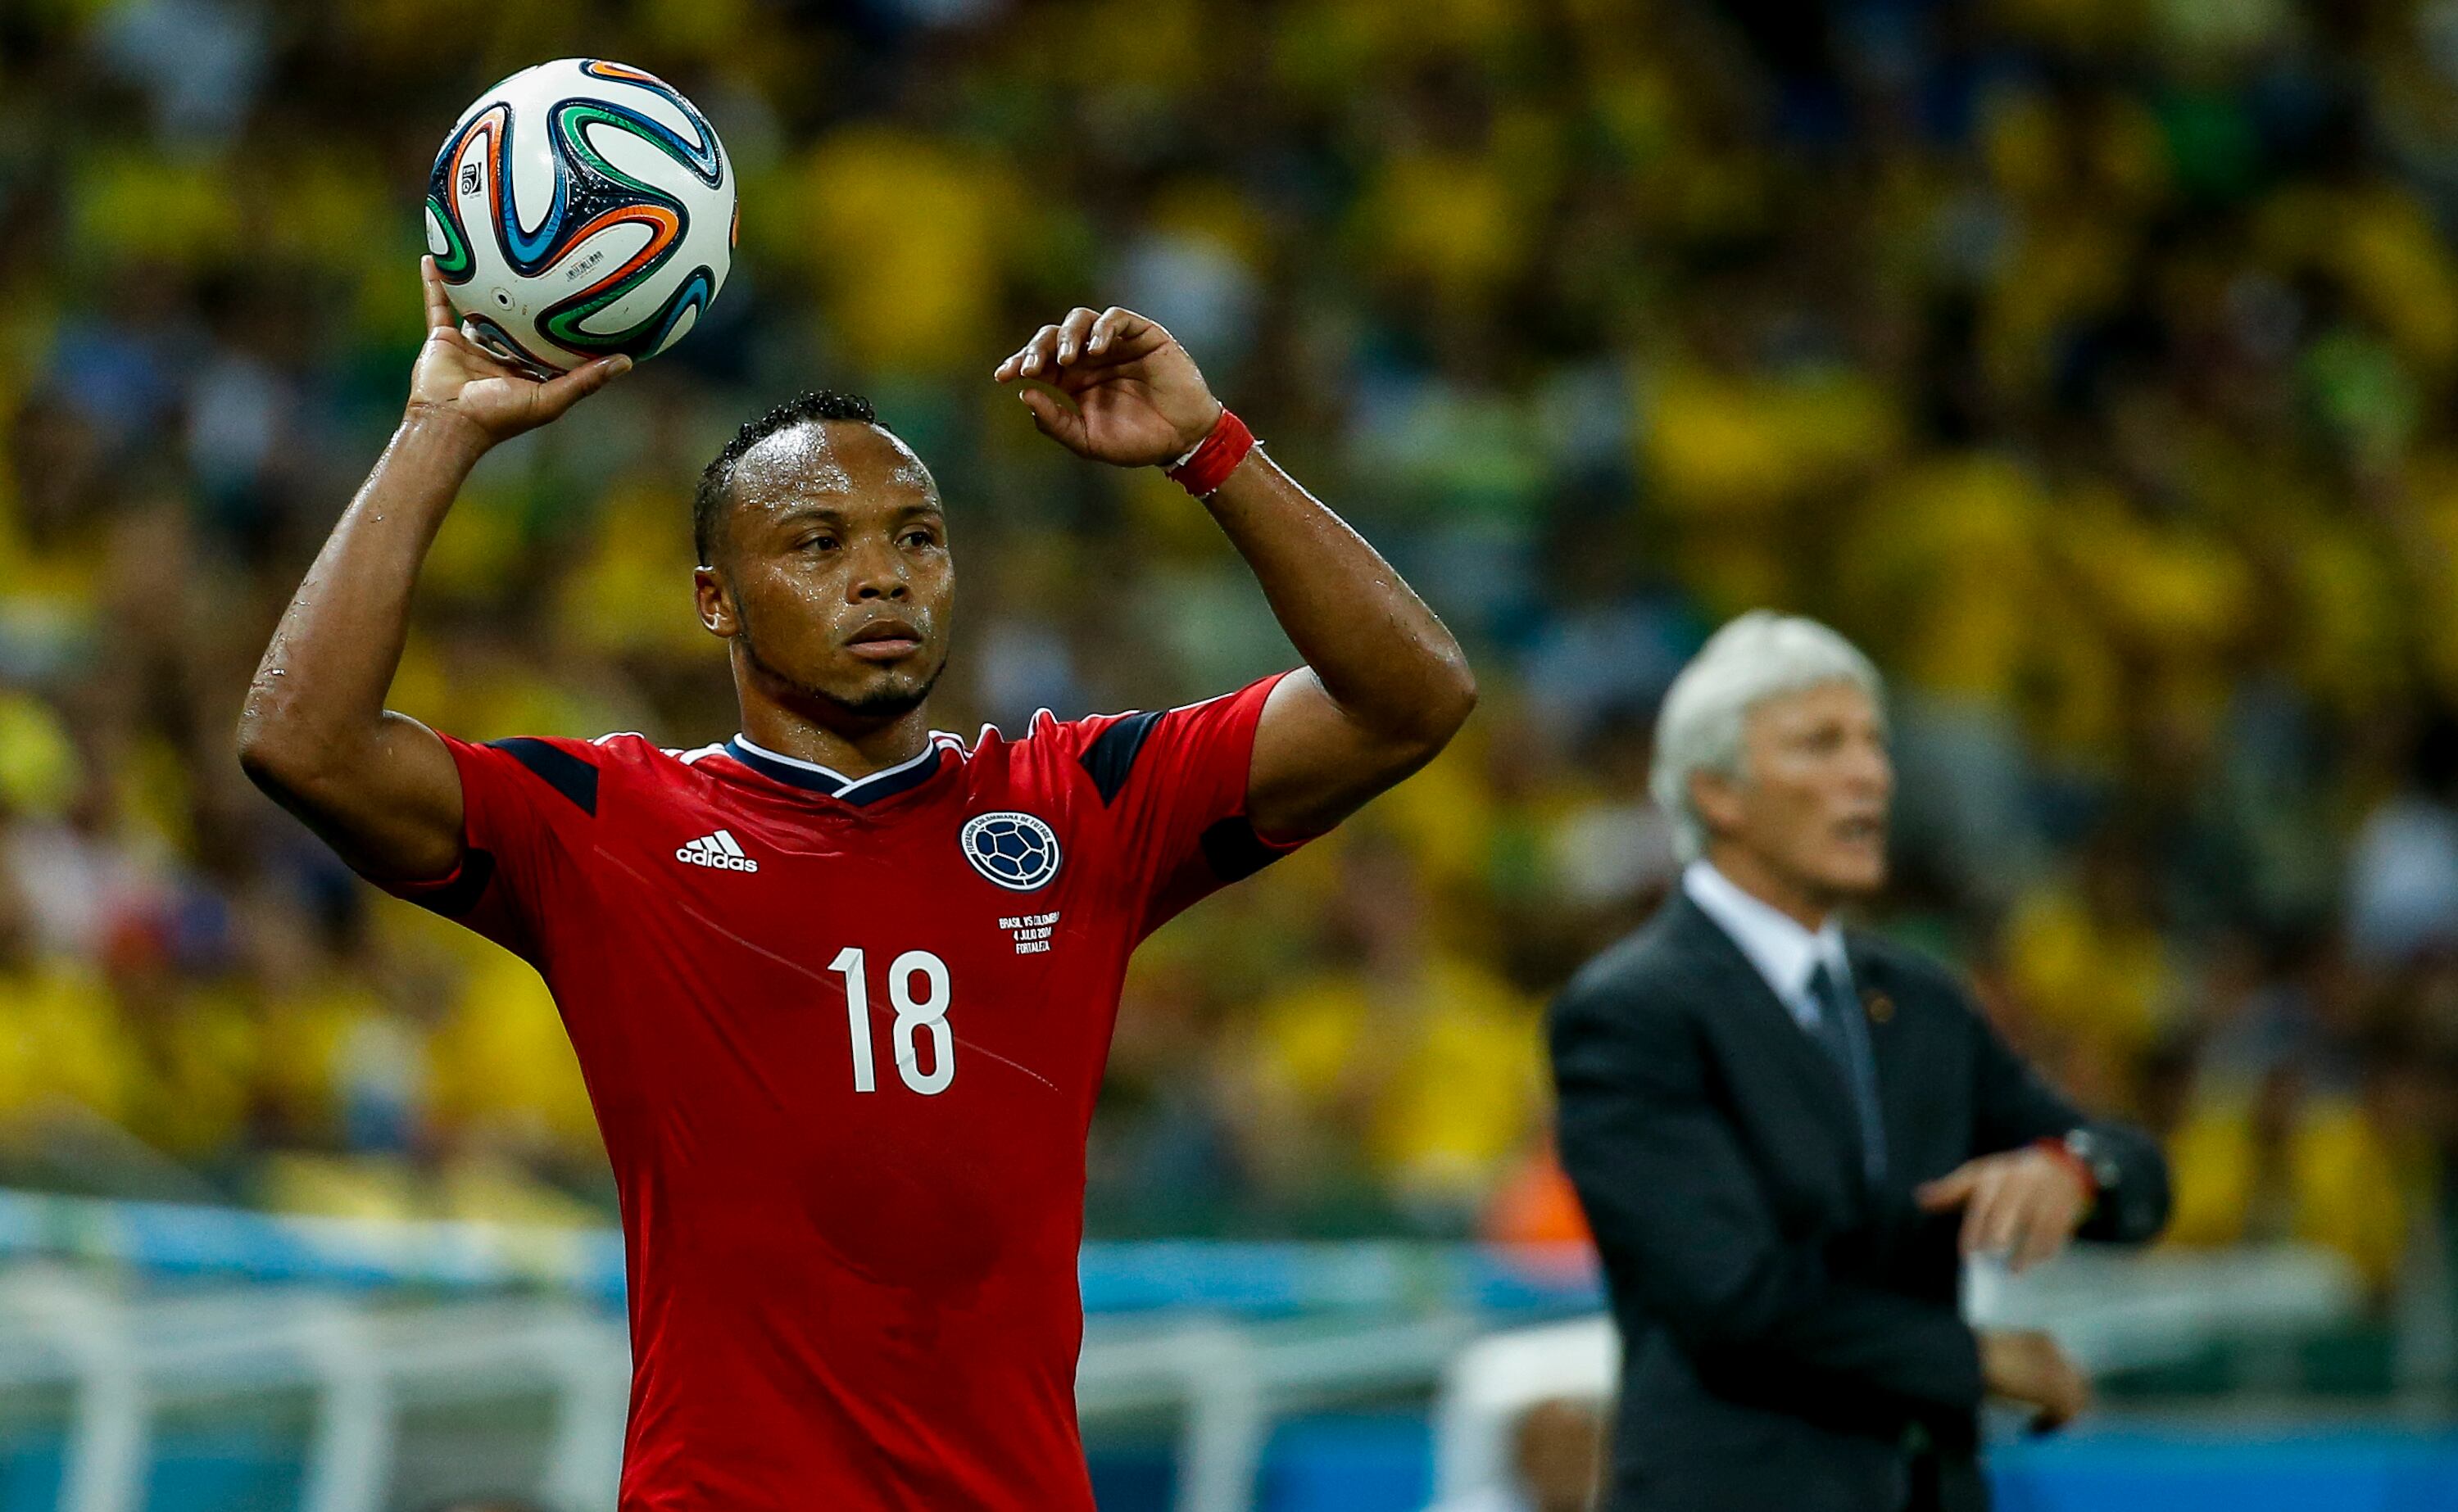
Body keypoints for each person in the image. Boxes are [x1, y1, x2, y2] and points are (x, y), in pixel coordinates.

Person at [236, 260, 1476, 1510]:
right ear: (716, 600)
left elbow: (1412, 696)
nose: (883, 576)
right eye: (818, 542)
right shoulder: (610, 823)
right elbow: (303, 743)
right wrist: (438, 429)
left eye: (917, 538)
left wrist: (1211, 448)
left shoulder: (1076, 802)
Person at [1547, 612, 2170, 1512]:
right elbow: (1730, 1299)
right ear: (1718, 793)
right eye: (1821, 744)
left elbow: (2136, 1174)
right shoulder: (1633, 1012)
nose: (1869, 773)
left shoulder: (1921, 1000)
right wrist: (1976, 1360)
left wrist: (2071, 1173)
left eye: (1874, 743)